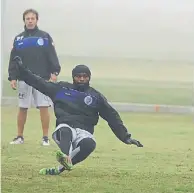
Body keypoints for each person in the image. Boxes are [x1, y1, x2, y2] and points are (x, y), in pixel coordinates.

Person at [13, 56, 143, 175]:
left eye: (85, 76)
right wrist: (22, 70)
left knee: (90, 144)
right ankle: (65, 155)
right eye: (78, 76)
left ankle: (59, 169)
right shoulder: (61, 89)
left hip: (84, 131)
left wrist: (125, 137)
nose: (81, 79)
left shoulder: (95, 96)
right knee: (65, 130)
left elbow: (112, 116)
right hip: (65, 127)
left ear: (89, 77)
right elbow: (38, 82)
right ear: (73, 77)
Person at [8, 9, 61, 146]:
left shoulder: (44, 37)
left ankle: (45, 138)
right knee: (23, 107)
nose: (30, 21)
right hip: (24, 79)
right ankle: (19, 137)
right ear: (24, 21)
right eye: (27, 18)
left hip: (41, 78)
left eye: (32, 18)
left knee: (44, 106)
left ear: (37, 20)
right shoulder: (19, 39)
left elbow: (52, 55)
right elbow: (13, 59)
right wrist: (12, 77)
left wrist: (54, 73)